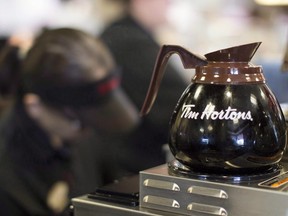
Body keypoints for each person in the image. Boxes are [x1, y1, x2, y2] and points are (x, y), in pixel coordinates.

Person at [0, 28, 139, 216]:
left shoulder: (83, 131)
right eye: (81, 122)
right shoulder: (10, 182)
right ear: (35, 106)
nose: (89, 132)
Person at [100, 0, 188, 172]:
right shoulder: (131, 43)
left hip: (125, 158)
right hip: (136, 164)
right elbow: (179, 106)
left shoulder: (122, 33)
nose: (170, 3)